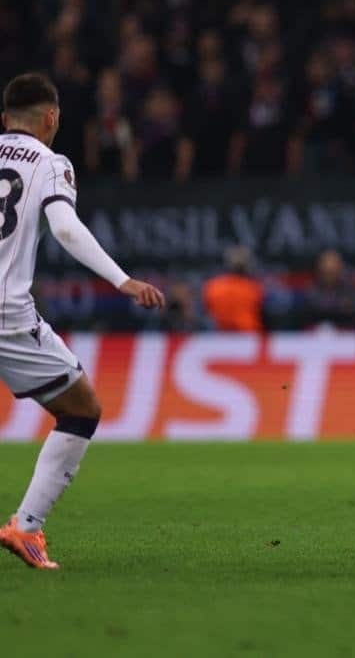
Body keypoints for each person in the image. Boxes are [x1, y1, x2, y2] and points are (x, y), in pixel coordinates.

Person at [0, 73, 165, 570]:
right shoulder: (51, 164)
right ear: (51, 118)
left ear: (5, 119)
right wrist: (123, 281)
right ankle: (25, 529)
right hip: (6, 315)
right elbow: (66, 228)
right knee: (81, 409)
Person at [202, 245, 264, 332]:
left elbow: (206, 311)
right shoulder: (254, 288)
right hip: (248, 335)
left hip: (220, 337)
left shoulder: (213, 286)